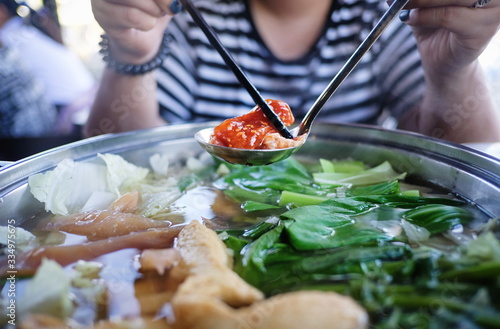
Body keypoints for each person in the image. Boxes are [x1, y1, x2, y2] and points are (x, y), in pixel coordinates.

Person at [85, 0, 500, 144]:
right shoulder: (188, 14)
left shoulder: (387, 14)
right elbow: (121, 159)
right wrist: (132, 50)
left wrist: (453, 70)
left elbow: (463, 157)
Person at [0, 0, 95, 114]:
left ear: (2, 11)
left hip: (68, 109)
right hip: (87, 97)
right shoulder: (26, 28)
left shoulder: (9, 36)